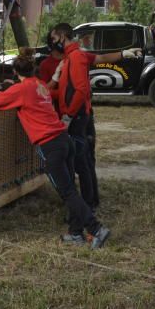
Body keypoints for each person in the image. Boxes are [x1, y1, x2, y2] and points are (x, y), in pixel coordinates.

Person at [0, 49, 111, 249]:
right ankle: (76, 233)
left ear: (14, 73)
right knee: (71, 188)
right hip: (64, 139)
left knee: (67, 192)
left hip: (50, 145)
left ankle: (96, 229)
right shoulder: (40, 85)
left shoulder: (21, 90)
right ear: (33, 69)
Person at [48, 22, 142, 211]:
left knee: (81, 161)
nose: (52, 42)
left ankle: (88, 204)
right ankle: (92, 200)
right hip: (83, 113)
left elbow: (81, 90)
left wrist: (68, 115)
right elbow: (100, 57)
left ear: (62, 37)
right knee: (86, 159)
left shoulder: (75, 58)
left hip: (77, 116)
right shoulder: (76, 55)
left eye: (53, 38)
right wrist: (123, 54)